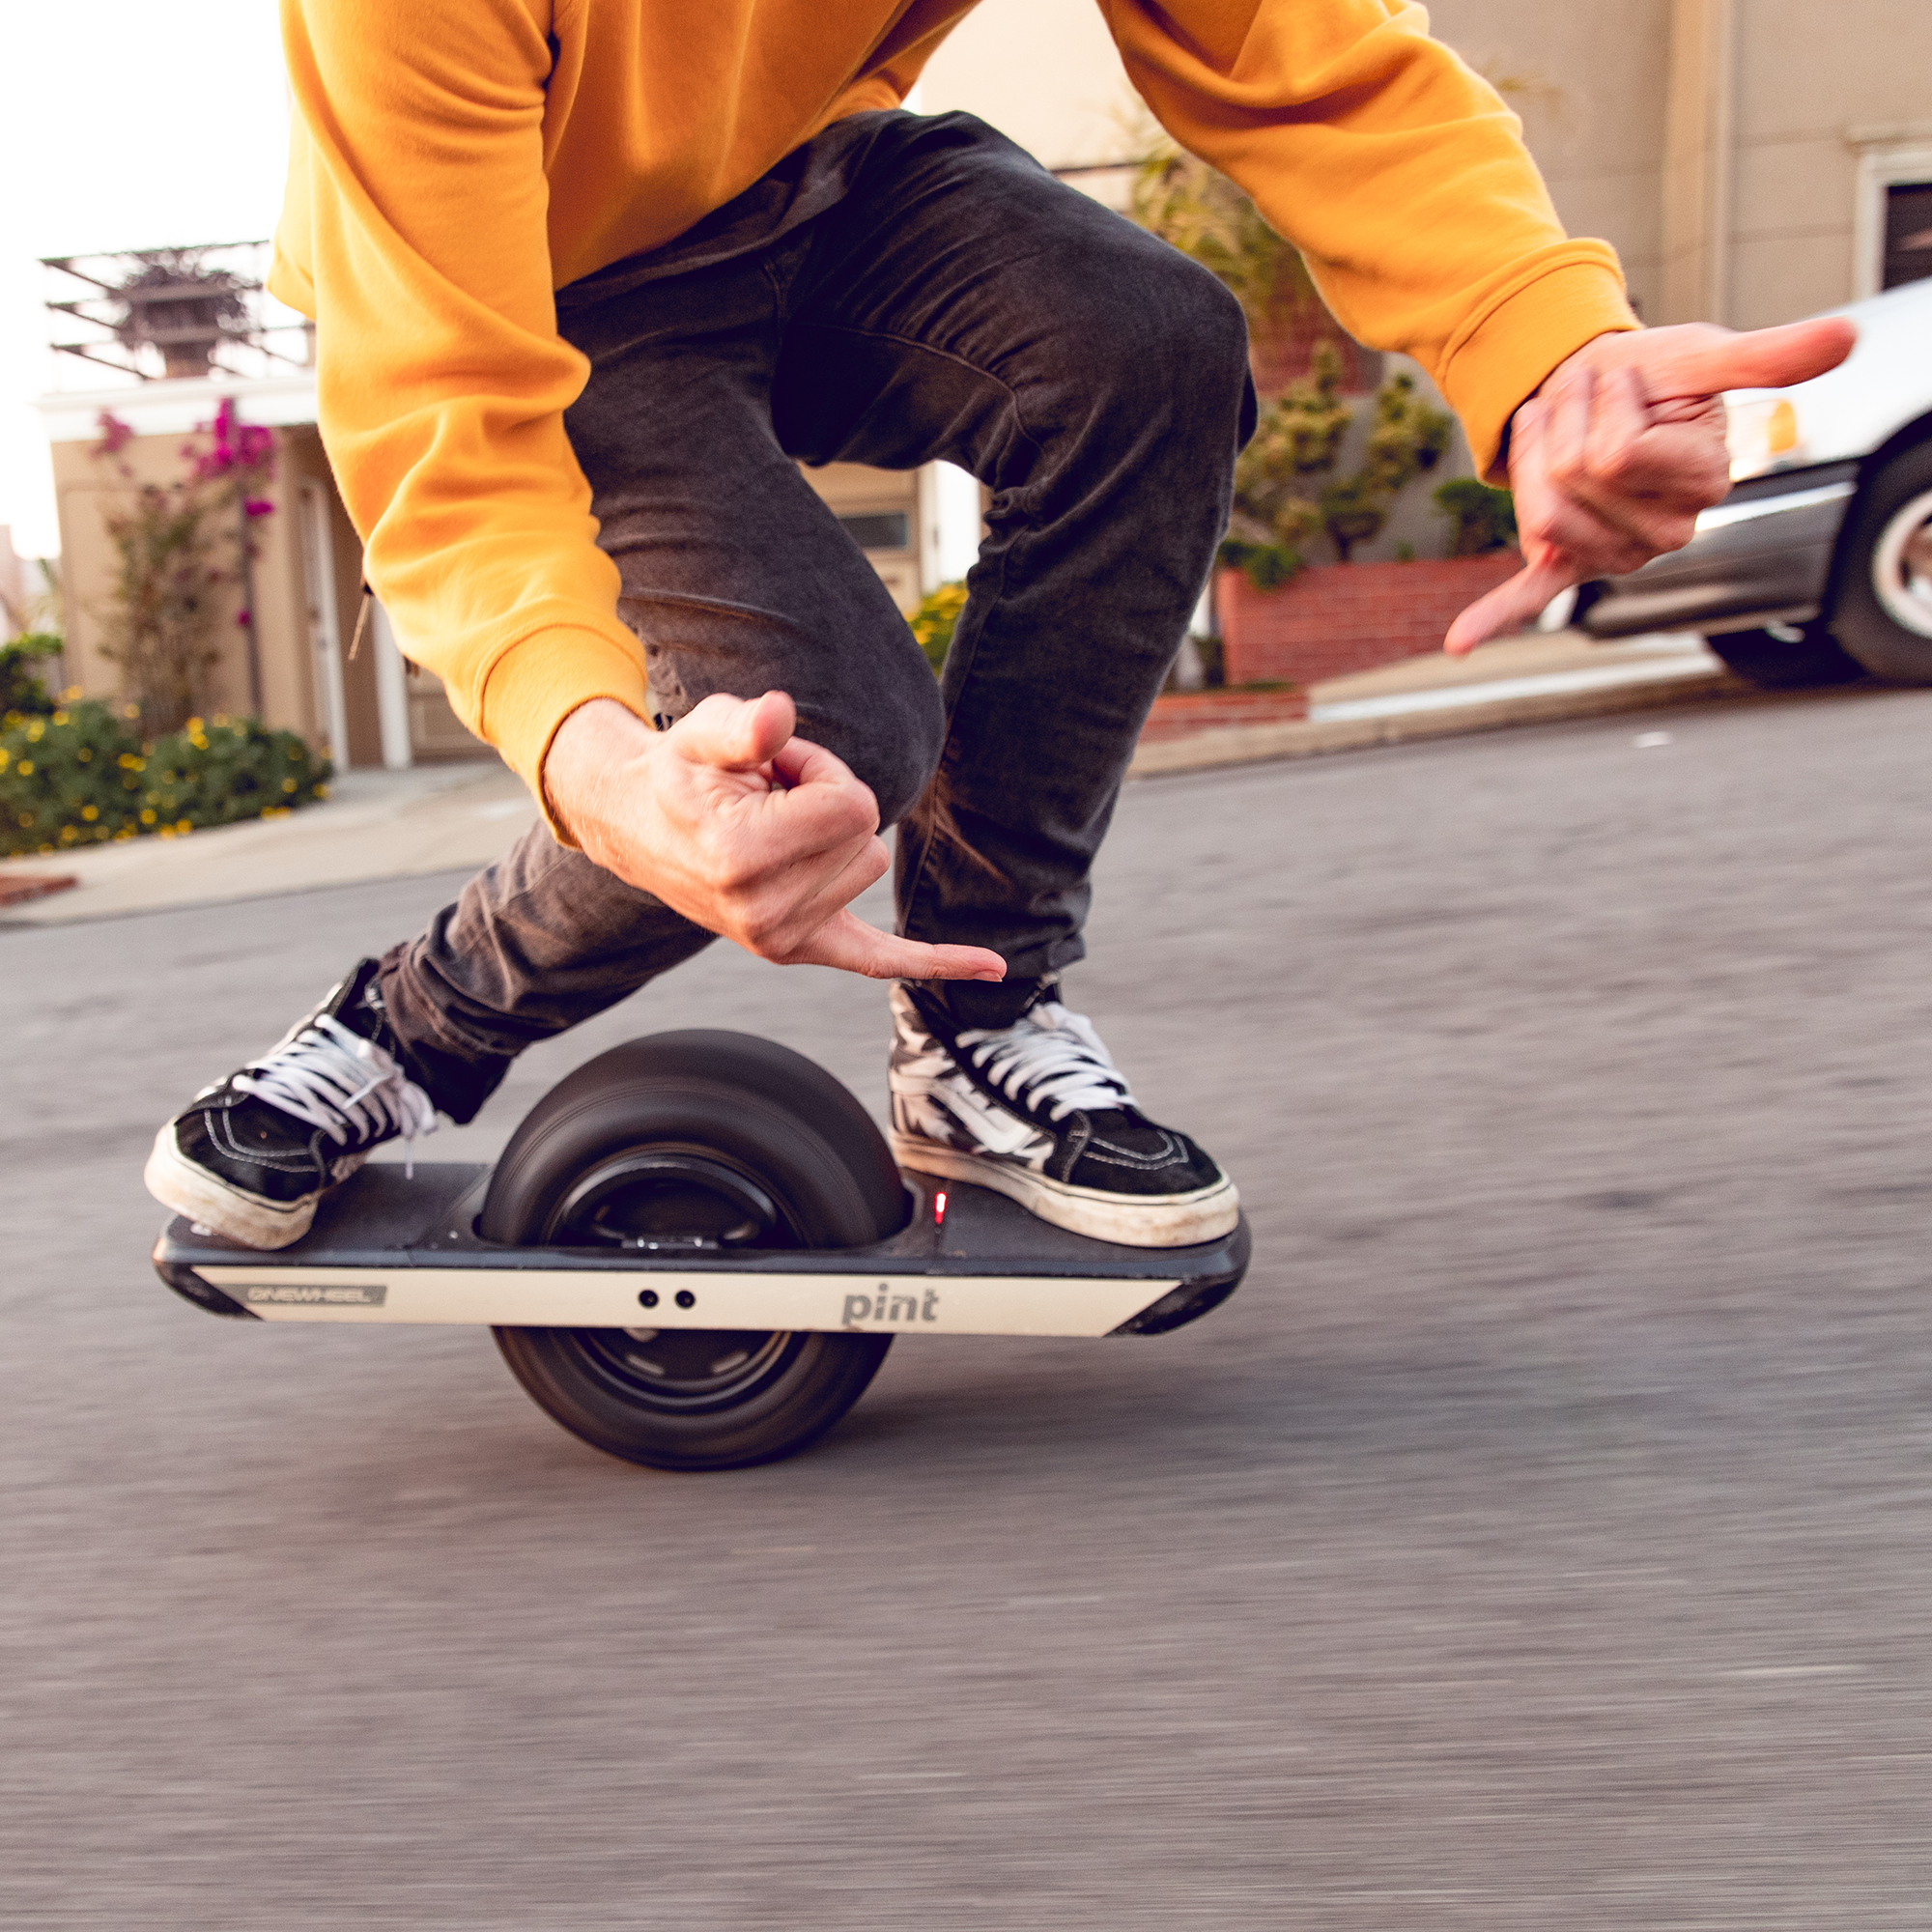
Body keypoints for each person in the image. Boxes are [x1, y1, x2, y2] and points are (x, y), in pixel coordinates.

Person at [145, 0, 1853, 1253]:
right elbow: (450, 411)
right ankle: (400, 1029)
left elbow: (1300, 50)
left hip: (814, 194)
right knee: (819, 745)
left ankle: (981, 1019)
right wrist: (607, 769)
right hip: (540, 288)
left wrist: (1543, 340)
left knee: (1150, 340)